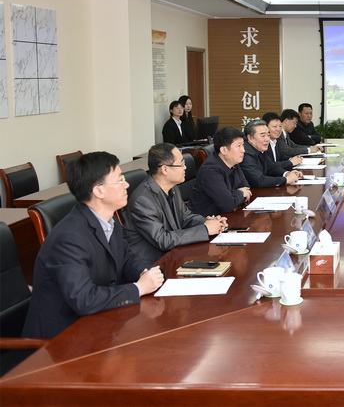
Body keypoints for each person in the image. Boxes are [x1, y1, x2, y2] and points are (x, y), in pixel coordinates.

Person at [22, 152, 164, 338]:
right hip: (61, 339)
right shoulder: (68, 238)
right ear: (99, 191)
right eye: (120, 180)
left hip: (98, 323)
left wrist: (153, 273)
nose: (127, 185)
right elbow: (84, 299)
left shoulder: (108, 220)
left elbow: (126, 259)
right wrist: (138, 289)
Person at [124, 143, 227, 264]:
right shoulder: (142, 200)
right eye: (181, 164)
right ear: (165, 169)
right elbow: (162, 240)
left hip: (174, 254)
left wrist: (208, 222)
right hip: (152, 263)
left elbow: (185, 217)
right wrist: (205, 229)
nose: (185, 167)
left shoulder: (172, 187)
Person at [188, 126, 252, 216]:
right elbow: (228, 205)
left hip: (227, 216)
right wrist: (240, 193)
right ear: (224, 150)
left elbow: (246, 188)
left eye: (243, 145)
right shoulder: (210, 171)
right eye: (238, 146)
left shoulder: (233, 161)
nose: (243, 150)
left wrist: (233, 196)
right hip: (206, 220)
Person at [241, 119, 303, 188]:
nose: (267, 139)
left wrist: (287, 173)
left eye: (268, 135)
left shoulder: (259, 149)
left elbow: (271, 167)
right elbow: (259, 181)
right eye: (263, 136)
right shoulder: (245, 154)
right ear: (250, 138)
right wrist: (286, 180)